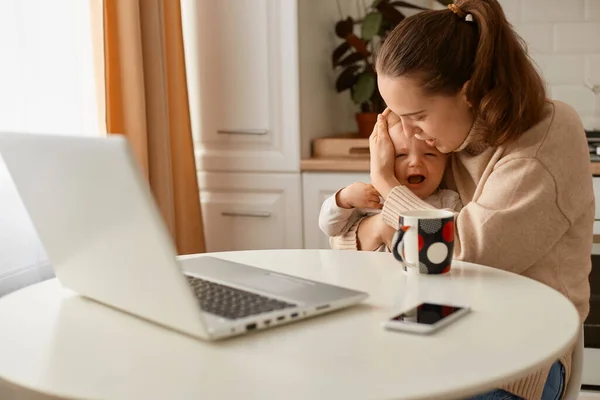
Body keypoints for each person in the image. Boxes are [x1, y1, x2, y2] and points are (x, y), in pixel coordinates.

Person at [330, 1, 593, 399]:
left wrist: (385, 182)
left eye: (415, 116)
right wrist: (371, 221)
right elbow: (350, 243)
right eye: (398, 118)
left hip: (517, 359)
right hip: (439, 336)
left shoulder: (544, 138)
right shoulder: (452, 137)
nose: (411, 134)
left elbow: (459, 251)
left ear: (468, 93)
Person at [318, 115, 461, 251]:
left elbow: (458, 246)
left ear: (446, 162)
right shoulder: (372, 197)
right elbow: (330, 228)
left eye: (429, 154)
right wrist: (345, 198)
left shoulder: (449, 202)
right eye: (401, 155)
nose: (415, 162)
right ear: (382, 160)